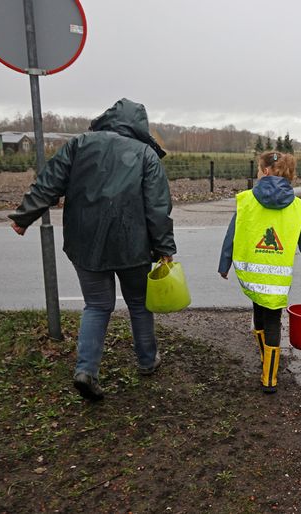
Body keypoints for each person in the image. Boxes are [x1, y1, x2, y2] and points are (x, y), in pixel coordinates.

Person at [9, 98, 176, 402]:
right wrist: (165, 247)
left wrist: (24, 217)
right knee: (139, 303)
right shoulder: (146, 155)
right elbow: (157, 208)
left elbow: (49, 182)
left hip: (85, 241)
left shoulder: (79, 144)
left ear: (109, 118)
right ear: (139, 125)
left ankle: (86, 370)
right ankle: (147, 360)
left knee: (97, 305)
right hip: (132, 245)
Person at [218, 151, 301, 394]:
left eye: (257, 168)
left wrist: (224, 264)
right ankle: (270, 377)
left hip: (253, 274)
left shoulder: (245, 200)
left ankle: (267, 360)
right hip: (277, 278)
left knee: (258, 313)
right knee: (273, 321)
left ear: (264, 171)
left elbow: (232, 233)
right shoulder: (298, 207)